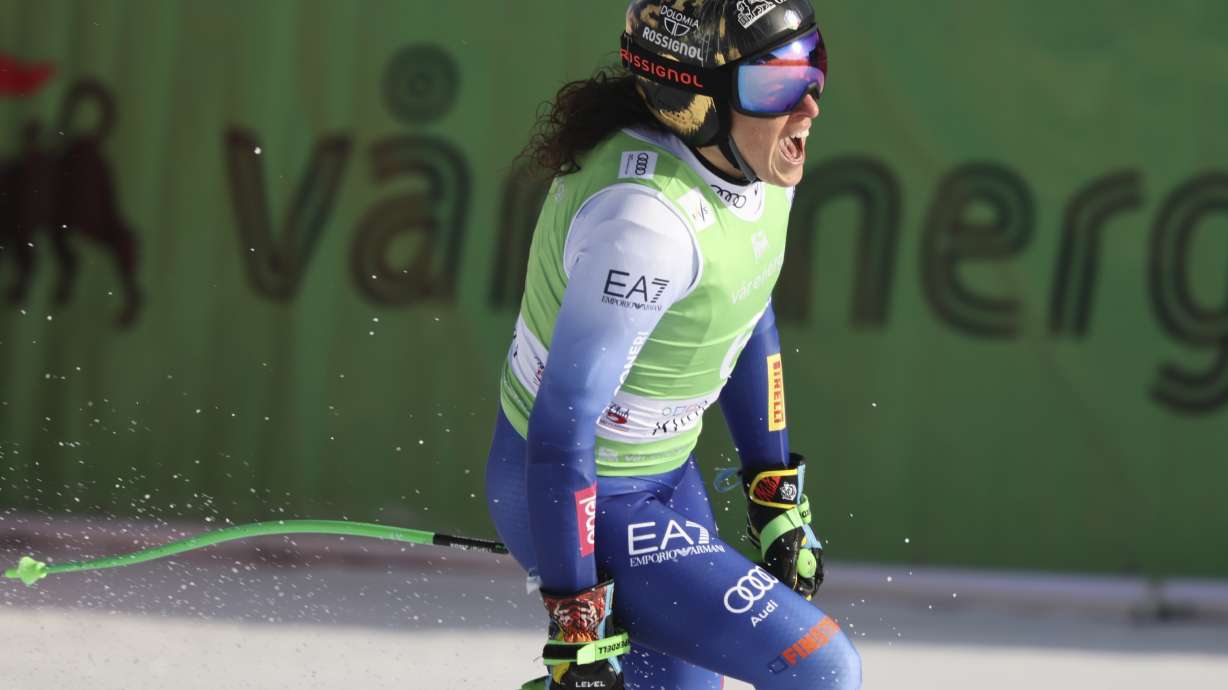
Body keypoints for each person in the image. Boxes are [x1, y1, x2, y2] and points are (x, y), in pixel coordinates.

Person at [485, 2, 861, 688]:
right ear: (693, 102)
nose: (807, 103)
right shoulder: (647, 224)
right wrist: (576, 626)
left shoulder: (751, 160)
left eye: (813, 67)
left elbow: (745, 306)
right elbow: (562, 432)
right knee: (822, 670)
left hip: (660, 477)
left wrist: (773, 493)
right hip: (579, 491)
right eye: (775, 83)